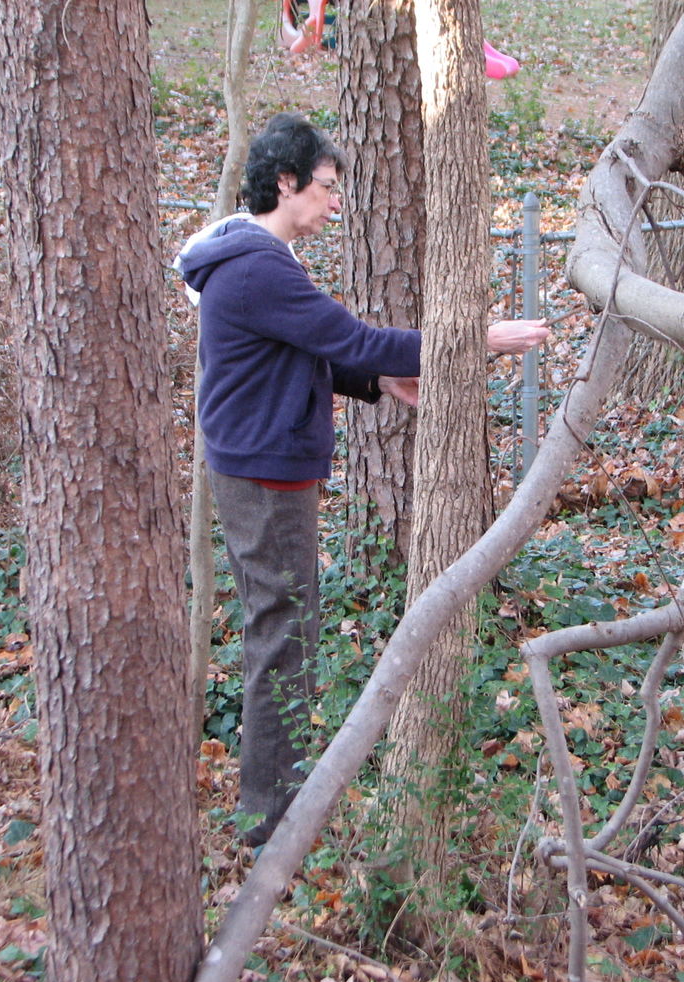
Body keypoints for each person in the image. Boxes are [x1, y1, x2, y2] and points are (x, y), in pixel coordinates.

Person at [176, 113, 549, 848]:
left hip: (264, 467)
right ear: (284, 183)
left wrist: (381, 382)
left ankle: (276, 803)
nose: (334, 201)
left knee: (287, 630)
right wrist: (473, 337)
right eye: (324, 186)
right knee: (282, 635)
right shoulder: (256, 266)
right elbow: (347, 337)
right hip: (265, 475)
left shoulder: (258, 259)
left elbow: (313, 351)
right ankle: (270, 819)